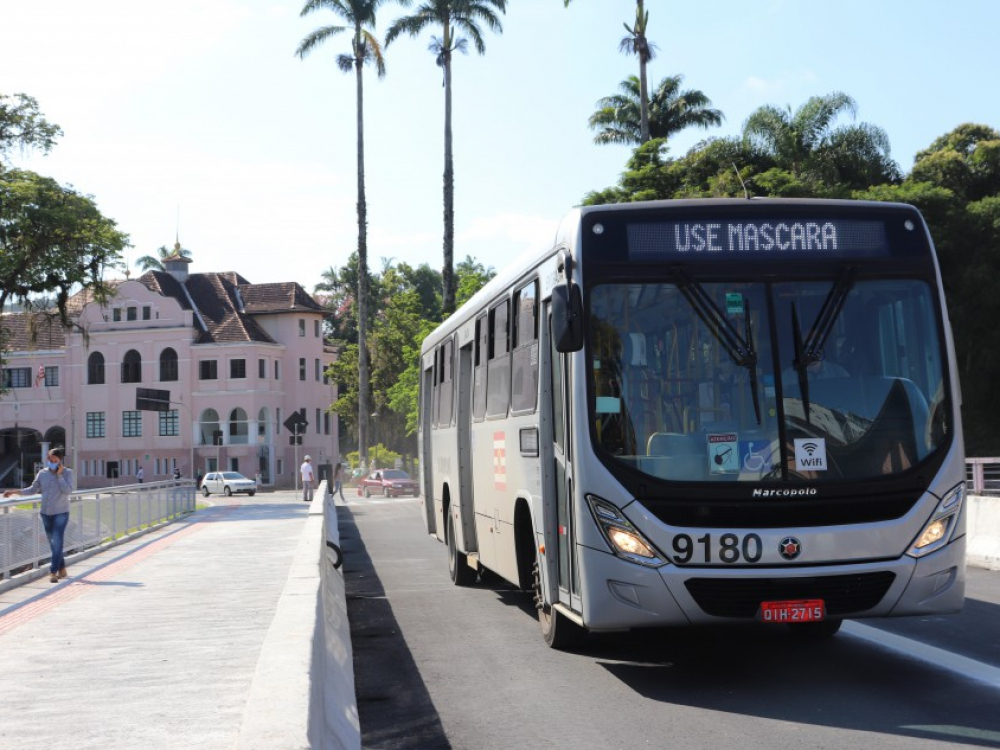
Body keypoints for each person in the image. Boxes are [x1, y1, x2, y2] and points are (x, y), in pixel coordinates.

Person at [4, 447, 74, 583]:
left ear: (60, 461)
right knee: (53, 544)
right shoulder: (42, 473)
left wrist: (59, 476)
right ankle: (62, 569)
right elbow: (32, 490)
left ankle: (53, 572)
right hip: (46, 513)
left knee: (57, 541)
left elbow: (68, 491)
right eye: (50, 459)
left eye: (55, 460)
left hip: (61, 513)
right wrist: (15, 491)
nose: (52, 462)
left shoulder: (67, 473)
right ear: (47, 459)